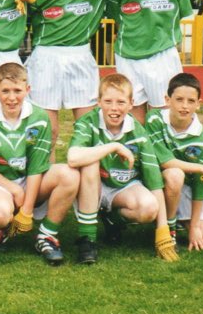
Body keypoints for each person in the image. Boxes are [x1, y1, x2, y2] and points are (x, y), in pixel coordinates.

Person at [23, 0, 150, 158]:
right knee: (48, 132)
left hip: (80, 55)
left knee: (88, 130)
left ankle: (88, 182)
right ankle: (47, 181)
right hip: (45, 57)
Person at [0, 62, 81, 266]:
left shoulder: (39, 118)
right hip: (0, 183)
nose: (12, 97)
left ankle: (47, 235)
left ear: (27, 89)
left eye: (17, 90)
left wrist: (27, 210)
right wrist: (14, 189)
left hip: (31, 181)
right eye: (5, 91)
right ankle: (1, 229)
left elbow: (36, 167)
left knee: (69, 174)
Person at [66, 73, 179, 262]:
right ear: (99, 102)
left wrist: (162, 229)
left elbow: (154, 181)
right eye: (108, 101)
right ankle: (87, 239)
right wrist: (114, 146)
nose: (114, 108)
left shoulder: (139, 132)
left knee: (149, 208)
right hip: (93, 186)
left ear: (131, 104)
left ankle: (113, 219)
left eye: (120, 102)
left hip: (123, 188)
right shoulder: (88, 121)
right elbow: (72, 158)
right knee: (90, 162)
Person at [146, 72, 203, 251]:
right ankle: (170, 228)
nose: (184, 106)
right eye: (179, 99)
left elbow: (202, 183)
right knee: (174, 175)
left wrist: (196, 226)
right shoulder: (154, 119)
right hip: (163, 183)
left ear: (198, 104)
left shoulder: (202, 139)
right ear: (167, 100)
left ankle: (184, 220)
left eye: (191, 101)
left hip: (190, 187)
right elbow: (165, 162)